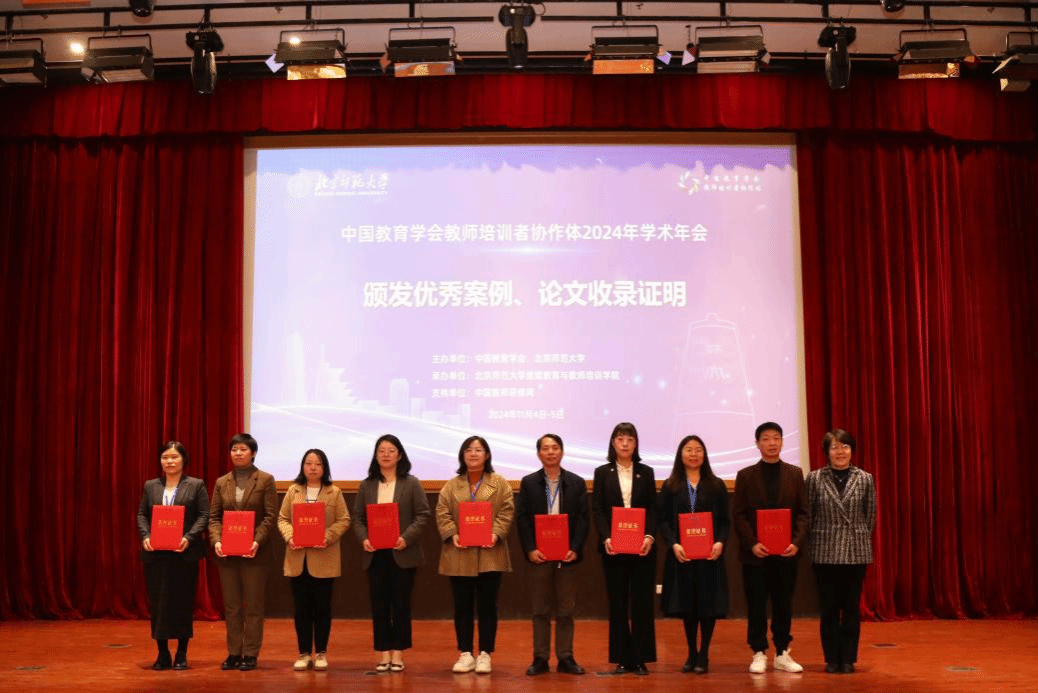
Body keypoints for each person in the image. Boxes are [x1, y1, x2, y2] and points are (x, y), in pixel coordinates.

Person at [732, 421, 810, 674]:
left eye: (776, 438)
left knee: (783, 605)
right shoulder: (745, 476)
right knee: (756, 604)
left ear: (782, 442)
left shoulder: (795, 474)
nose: (772, 443)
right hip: (755, 555)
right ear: (757, 444)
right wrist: (752, 543)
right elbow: (739, 515)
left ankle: (782, 652)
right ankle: (758, 652)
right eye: (766, 438)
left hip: (786, 554)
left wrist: (796, 542)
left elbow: (803, 513)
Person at [436, 435, 514, 674]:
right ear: (462, 455)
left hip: (490, 554)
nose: (473, 453)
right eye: (468, 450)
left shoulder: (499, 483)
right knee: (462, 607)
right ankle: (465, 653)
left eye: (478, 450)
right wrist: (452, 534)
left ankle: (485, 654)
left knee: (488, 606)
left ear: (487, 455)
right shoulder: (452, 485)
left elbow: (507, 511)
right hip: (459, 553)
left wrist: (496, 533)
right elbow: (442, 512)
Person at [353, 434, 431, 672]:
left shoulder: (411, 483)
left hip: (402, 552)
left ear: (400, 455)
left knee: (400, 605)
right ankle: (383, 652)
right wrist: (364, 538)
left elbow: (423, 514)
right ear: (375, 456)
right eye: (381, 451)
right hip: (375, 553)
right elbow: (357, 518)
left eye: (391, 450)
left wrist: (406, 538)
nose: (386, 455)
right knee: (379, 606)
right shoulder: (367, 485)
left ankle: (398, 653)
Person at [515, 433, 590, 676]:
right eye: (545, 448)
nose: (550, 452)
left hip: (567, 555)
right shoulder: (529, 482)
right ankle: (540, 658)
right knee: (540, 610)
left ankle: (566, 657)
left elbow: (583, 519)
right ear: (539, 454)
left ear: (562, 451)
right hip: (539, 555)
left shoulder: (576, 482)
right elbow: (522, 519)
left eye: (555, 447)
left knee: (566, 610)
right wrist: (530, 549)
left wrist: (575, 548)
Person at [805, 429, 876, 674]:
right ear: (826, 452)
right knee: (829, 609)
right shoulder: (814, 478)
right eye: (834, 447)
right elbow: (809, 515)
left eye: (845, 446)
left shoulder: (865, 478)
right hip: (824, 551)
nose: (840, 452)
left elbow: (870, 516)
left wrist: (857, 536)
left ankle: (848, 658)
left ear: (852, 450)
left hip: (856, 552)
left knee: (851, 608)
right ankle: (831, 658)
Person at [658, 435, 729, 674]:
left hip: (710, 556)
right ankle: (691, 652)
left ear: (704, 454)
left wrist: (720, 542)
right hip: (683, 556)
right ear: (681, 454)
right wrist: (673, 544)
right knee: (687, 606)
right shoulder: (670, 486)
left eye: (698, 450)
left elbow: (725, 521)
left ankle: (704, 653)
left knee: (708, 605)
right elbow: (663, 520)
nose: (694, 454)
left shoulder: (716, 485)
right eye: (689, 450)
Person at [137, 441, 210, 670]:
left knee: (182, 603)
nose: (169, 461)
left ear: (183, 460)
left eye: (174, 457)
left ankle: (181, 653)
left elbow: (204, 515)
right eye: (165, 457)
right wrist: (146, 536)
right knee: (158, 604)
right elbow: (142, 514)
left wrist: (189, 537)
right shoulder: (151, 486)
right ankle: (162, 653)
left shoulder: (195, 484)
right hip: (156, 555)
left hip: (183, 554)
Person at [591, 422, 657, 675]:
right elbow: (598, 509)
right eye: (620, 439)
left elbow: (653, 508)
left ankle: (639, 658)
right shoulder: (602, 472)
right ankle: (621, 657)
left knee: (642, 603)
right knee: (618, 603)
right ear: (613, 443)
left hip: (642, 547)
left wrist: (649, 536)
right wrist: (606, 537)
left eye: (630, 439)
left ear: (636, 443)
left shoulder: (646, 472)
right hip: (614, 548)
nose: (625, 444)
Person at [209, 432, 278, 671]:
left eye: (243, 449)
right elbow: (214, 517)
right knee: (232, 607)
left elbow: (270, 516)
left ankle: (250, 653)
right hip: (227, 554)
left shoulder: (265, 480)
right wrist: (217, 541)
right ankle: (233, 652)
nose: (238, 453)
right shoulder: (222, 482)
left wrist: (256, 541)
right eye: (234, 449)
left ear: (253, 453)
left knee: (254, 607)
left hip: (254, 554)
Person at [277, 448, 350, 671]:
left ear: (324, 468)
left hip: (324, 558)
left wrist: (327, 536)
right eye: (309, 463)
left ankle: (321, 653)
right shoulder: (293, 490)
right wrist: (290, 537)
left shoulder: (334, 492)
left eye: (318, 464)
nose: (313, 468)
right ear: (303, 466)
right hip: (298, 558)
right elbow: (282, 519)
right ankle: (303, 653)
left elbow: (344, 519)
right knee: (301, 609)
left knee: (322, 609)